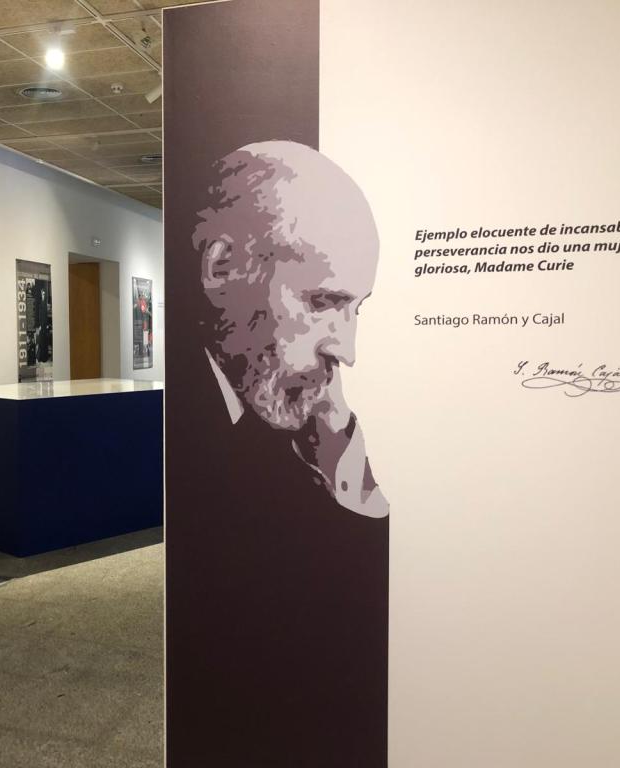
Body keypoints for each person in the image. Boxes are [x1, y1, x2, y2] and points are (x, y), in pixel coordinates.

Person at [166, 140, 389, 766]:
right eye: (323, 303)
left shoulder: (299, 417)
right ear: (221, 268)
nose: (347, 352)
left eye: (355, 309)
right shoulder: (188, 416)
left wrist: (338, 439)